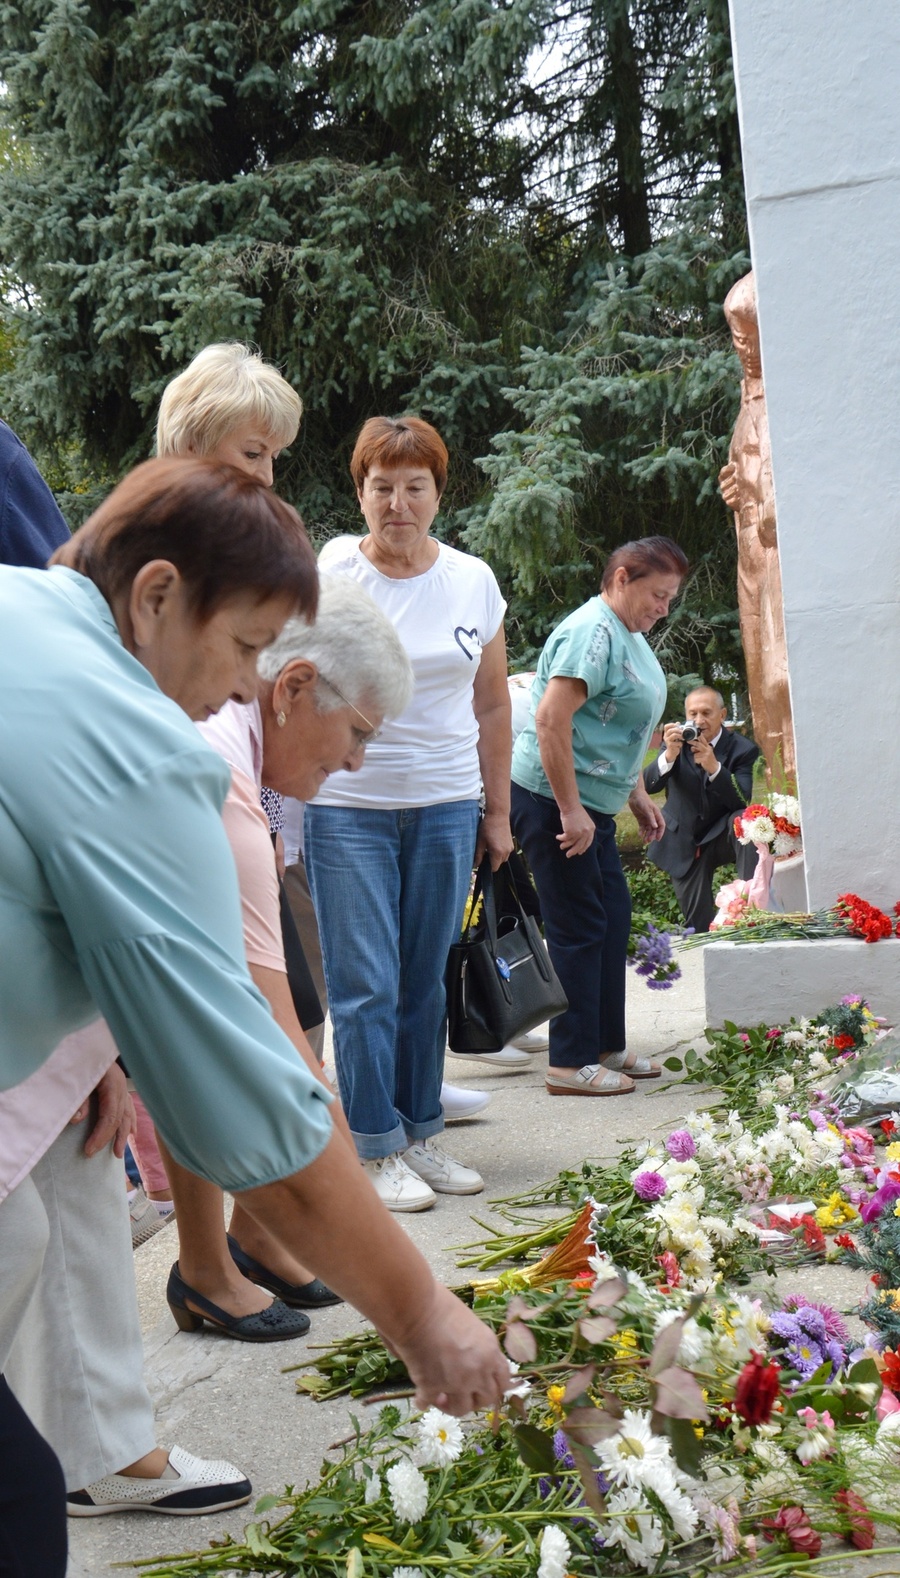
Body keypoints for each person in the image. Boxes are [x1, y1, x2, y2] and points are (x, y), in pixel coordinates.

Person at [0, 457, 509, 1565]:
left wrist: (96, 1049)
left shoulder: (20, 607)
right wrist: (424, 1318)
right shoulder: (142, 744)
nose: (243, 685)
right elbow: (249, 1110)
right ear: (157, 595)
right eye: (243, 647)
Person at [158, 576, 415, 1339]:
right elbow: (287, 1074)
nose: (358, 761)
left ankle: (254, 1246)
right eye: (360, 733)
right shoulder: (218, 778)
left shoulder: (236, 745)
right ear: (295, 687)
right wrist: (415, 1308)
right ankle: (208, 1268)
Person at [305, 416, 513, 1212]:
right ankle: (375, 1145)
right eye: (381, 487)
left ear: (438, 493)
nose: (398, 504)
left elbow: (493, 704)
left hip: (446, 803)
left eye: (414, 487)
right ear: (360, 493)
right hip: (347, 805)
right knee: (365, 985)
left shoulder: (472, 580)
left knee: (424, 981)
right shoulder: (332, 569)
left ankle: (421, 1132)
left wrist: (497, 813)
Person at [510, 535, 688, 1097]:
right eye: (657, 595)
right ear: (622, 578)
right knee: (579, 924)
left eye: (670, 598)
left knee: (609, 917)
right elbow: (551, 720)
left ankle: (604, 1044)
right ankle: (569, 1062)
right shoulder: (592, 632)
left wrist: (636, 794)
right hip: (554, 800)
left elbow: (613, 727)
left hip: (592, 805)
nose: (663, 609)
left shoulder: (625, 632)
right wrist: (569, 808)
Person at [718, 271, 795, 780]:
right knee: (759, 678)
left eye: (752, 337)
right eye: (738, 338)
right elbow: (742, 468)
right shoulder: (750, 397)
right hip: (751, 555)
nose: (745, 349)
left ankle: (797, 786)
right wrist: (734, 489)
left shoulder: (791, 398)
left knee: (779, 680)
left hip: (775, 553)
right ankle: (785, 795)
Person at [643, 686, 761, 934]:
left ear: (722, 714)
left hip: (721, 834)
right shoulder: (676, 742)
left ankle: (751, 902)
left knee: (745, 820)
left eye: (706, 713)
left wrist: (715, 768)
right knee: (699, 927)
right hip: (683, 840)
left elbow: (742, 799)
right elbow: (649, 785)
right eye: (693, 713)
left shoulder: (742, 749)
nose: (699, 720)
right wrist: (669, 755)